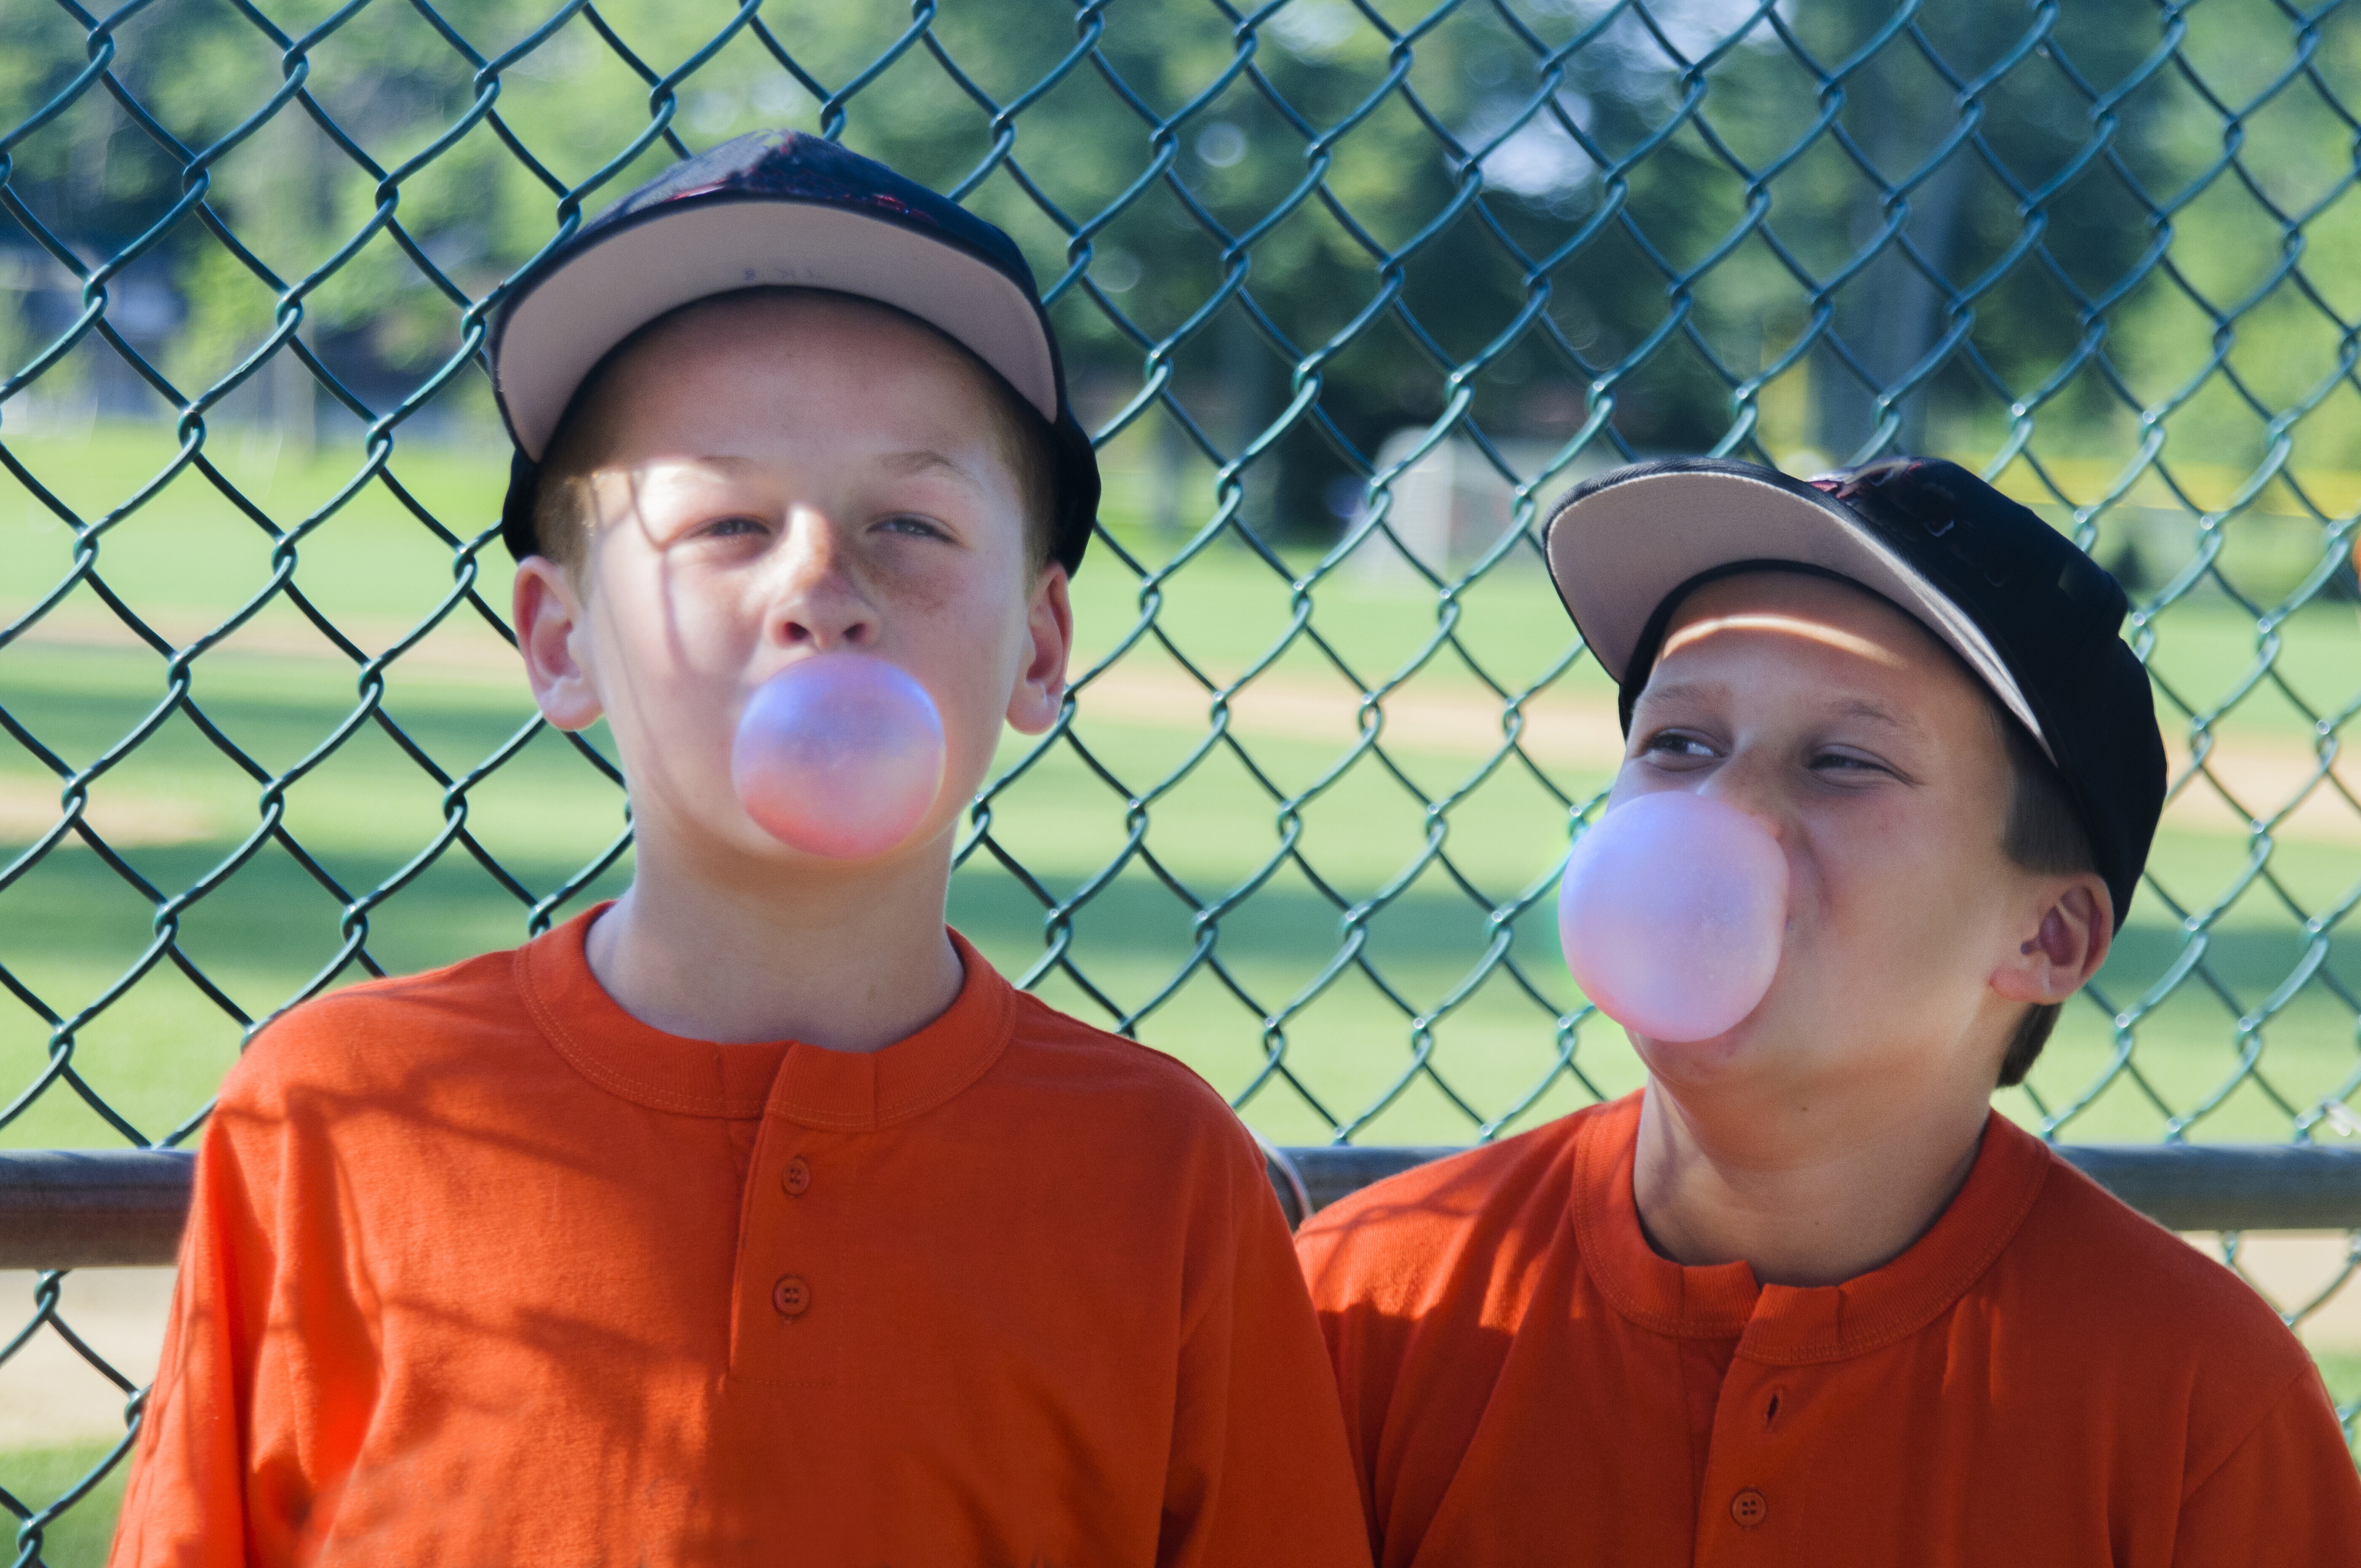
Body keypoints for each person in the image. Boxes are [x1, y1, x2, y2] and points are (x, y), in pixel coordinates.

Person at [110, 131, 1368, 1567]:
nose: (822, 592)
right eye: (723, 520)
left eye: (909, 521)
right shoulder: (340, 1110)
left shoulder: (1166, 1172)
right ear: (561, 639)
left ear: (1039, 642)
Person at [1295, 456, 2361, 1565]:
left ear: (2046, 938)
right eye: (1678, 743)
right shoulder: (1371, 1303)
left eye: (1844, 761)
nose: (1724, 808)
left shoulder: (2199, 1405)